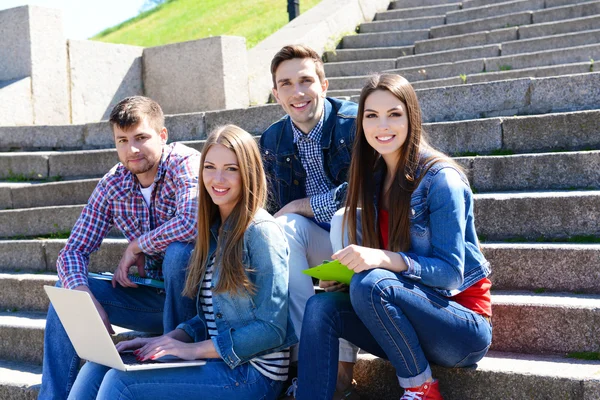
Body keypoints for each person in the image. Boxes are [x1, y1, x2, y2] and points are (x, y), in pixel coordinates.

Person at [295, 74, 493, 400]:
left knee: (371, 283)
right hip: (404, 324)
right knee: (321, 306)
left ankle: (421, 390)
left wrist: (381, 260)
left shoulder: (442, 181)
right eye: (371, 116)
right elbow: (331, 203)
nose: (382, 125)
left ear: (411, 117)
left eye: (394, 114)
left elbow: (449, 273)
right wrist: (343, 277)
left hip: (461, 329)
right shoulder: (373, 180)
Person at [66, 124, 298, 400]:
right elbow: (215, 317)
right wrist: (171, 338)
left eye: (231, 169)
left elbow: (271, 329)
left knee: (122, 382)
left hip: (252, 374)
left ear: (248, 173)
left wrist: (193, 350)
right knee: (101, 365)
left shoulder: (260, 231)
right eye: (210, 167)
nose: (218, 178)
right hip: (221, 362)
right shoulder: (214, 230)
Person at [39, 96, 200, 399]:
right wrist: (84, 295)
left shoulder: (184, 162)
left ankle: (174, 349)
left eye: (141, 137)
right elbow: (72, 251)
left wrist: (138, 245)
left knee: (180, 251)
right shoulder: (113, 184)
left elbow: (191, 222)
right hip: (153, 300)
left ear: (162, 136)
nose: (132, 150)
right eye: (123, 141)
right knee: (68, 293)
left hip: (197, 304)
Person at [259, 44, 358, 395]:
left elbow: (364, 193)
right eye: (286, 84)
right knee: (280, 230)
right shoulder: (272, 139)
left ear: (324, 85)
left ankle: (342, 369)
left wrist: (302, 204)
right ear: (276, 93)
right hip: (312, 247)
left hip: (362, 240)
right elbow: (266, 207)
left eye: (305, 80)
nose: (297, 92)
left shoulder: (354, 123)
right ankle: (310, 356)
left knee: (344, 217)